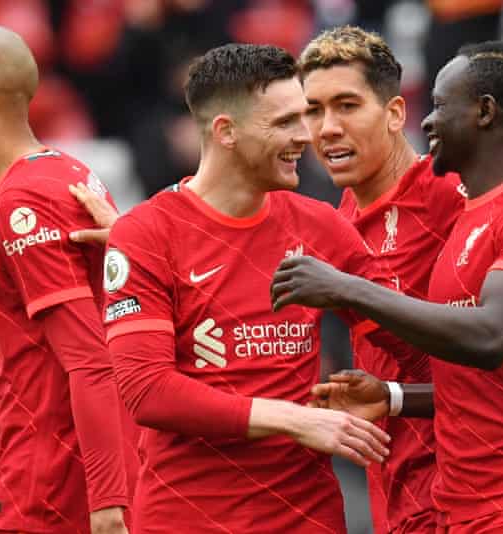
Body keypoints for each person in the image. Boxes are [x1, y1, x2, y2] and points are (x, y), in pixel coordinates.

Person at [271, 41, 503, 533]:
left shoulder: (458, 193)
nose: (327, 128)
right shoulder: (327, 229)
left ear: (393, 112)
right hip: (406, 491)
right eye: (313, 110)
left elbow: (502, 323)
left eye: (346, 105)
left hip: (502, 490)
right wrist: (391, 396)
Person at [98, 43, 394, 534]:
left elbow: (405, 336)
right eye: (285, 123)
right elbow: (147, 391)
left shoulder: (321, 226)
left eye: (305, 117)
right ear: (225, 132)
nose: (307, 136)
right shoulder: (147, 233)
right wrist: (295, 420)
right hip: (188, 519)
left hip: (307, 516)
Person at [0, 26, 135, 534]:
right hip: (66, 481)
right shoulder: (68, 171)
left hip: (44, 491)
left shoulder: (25, 200)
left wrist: (106, 503)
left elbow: (90, 361)